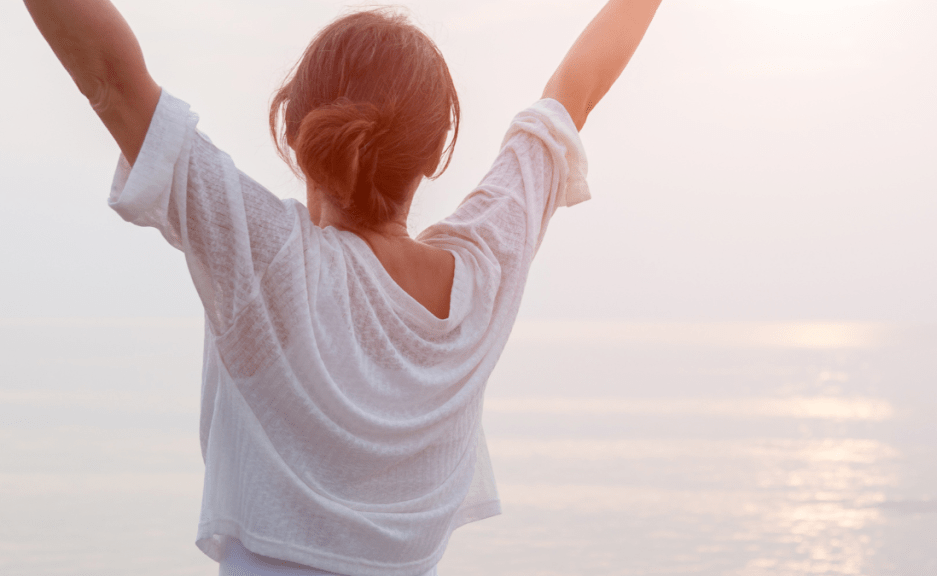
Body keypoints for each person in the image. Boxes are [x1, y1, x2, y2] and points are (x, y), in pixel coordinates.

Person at [24, 0, 662, 574]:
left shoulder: (270, 260)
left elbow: (111, 79)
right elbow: (573, 91)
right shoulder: (482, 275)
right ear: (436, 149)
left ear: (298, 136)